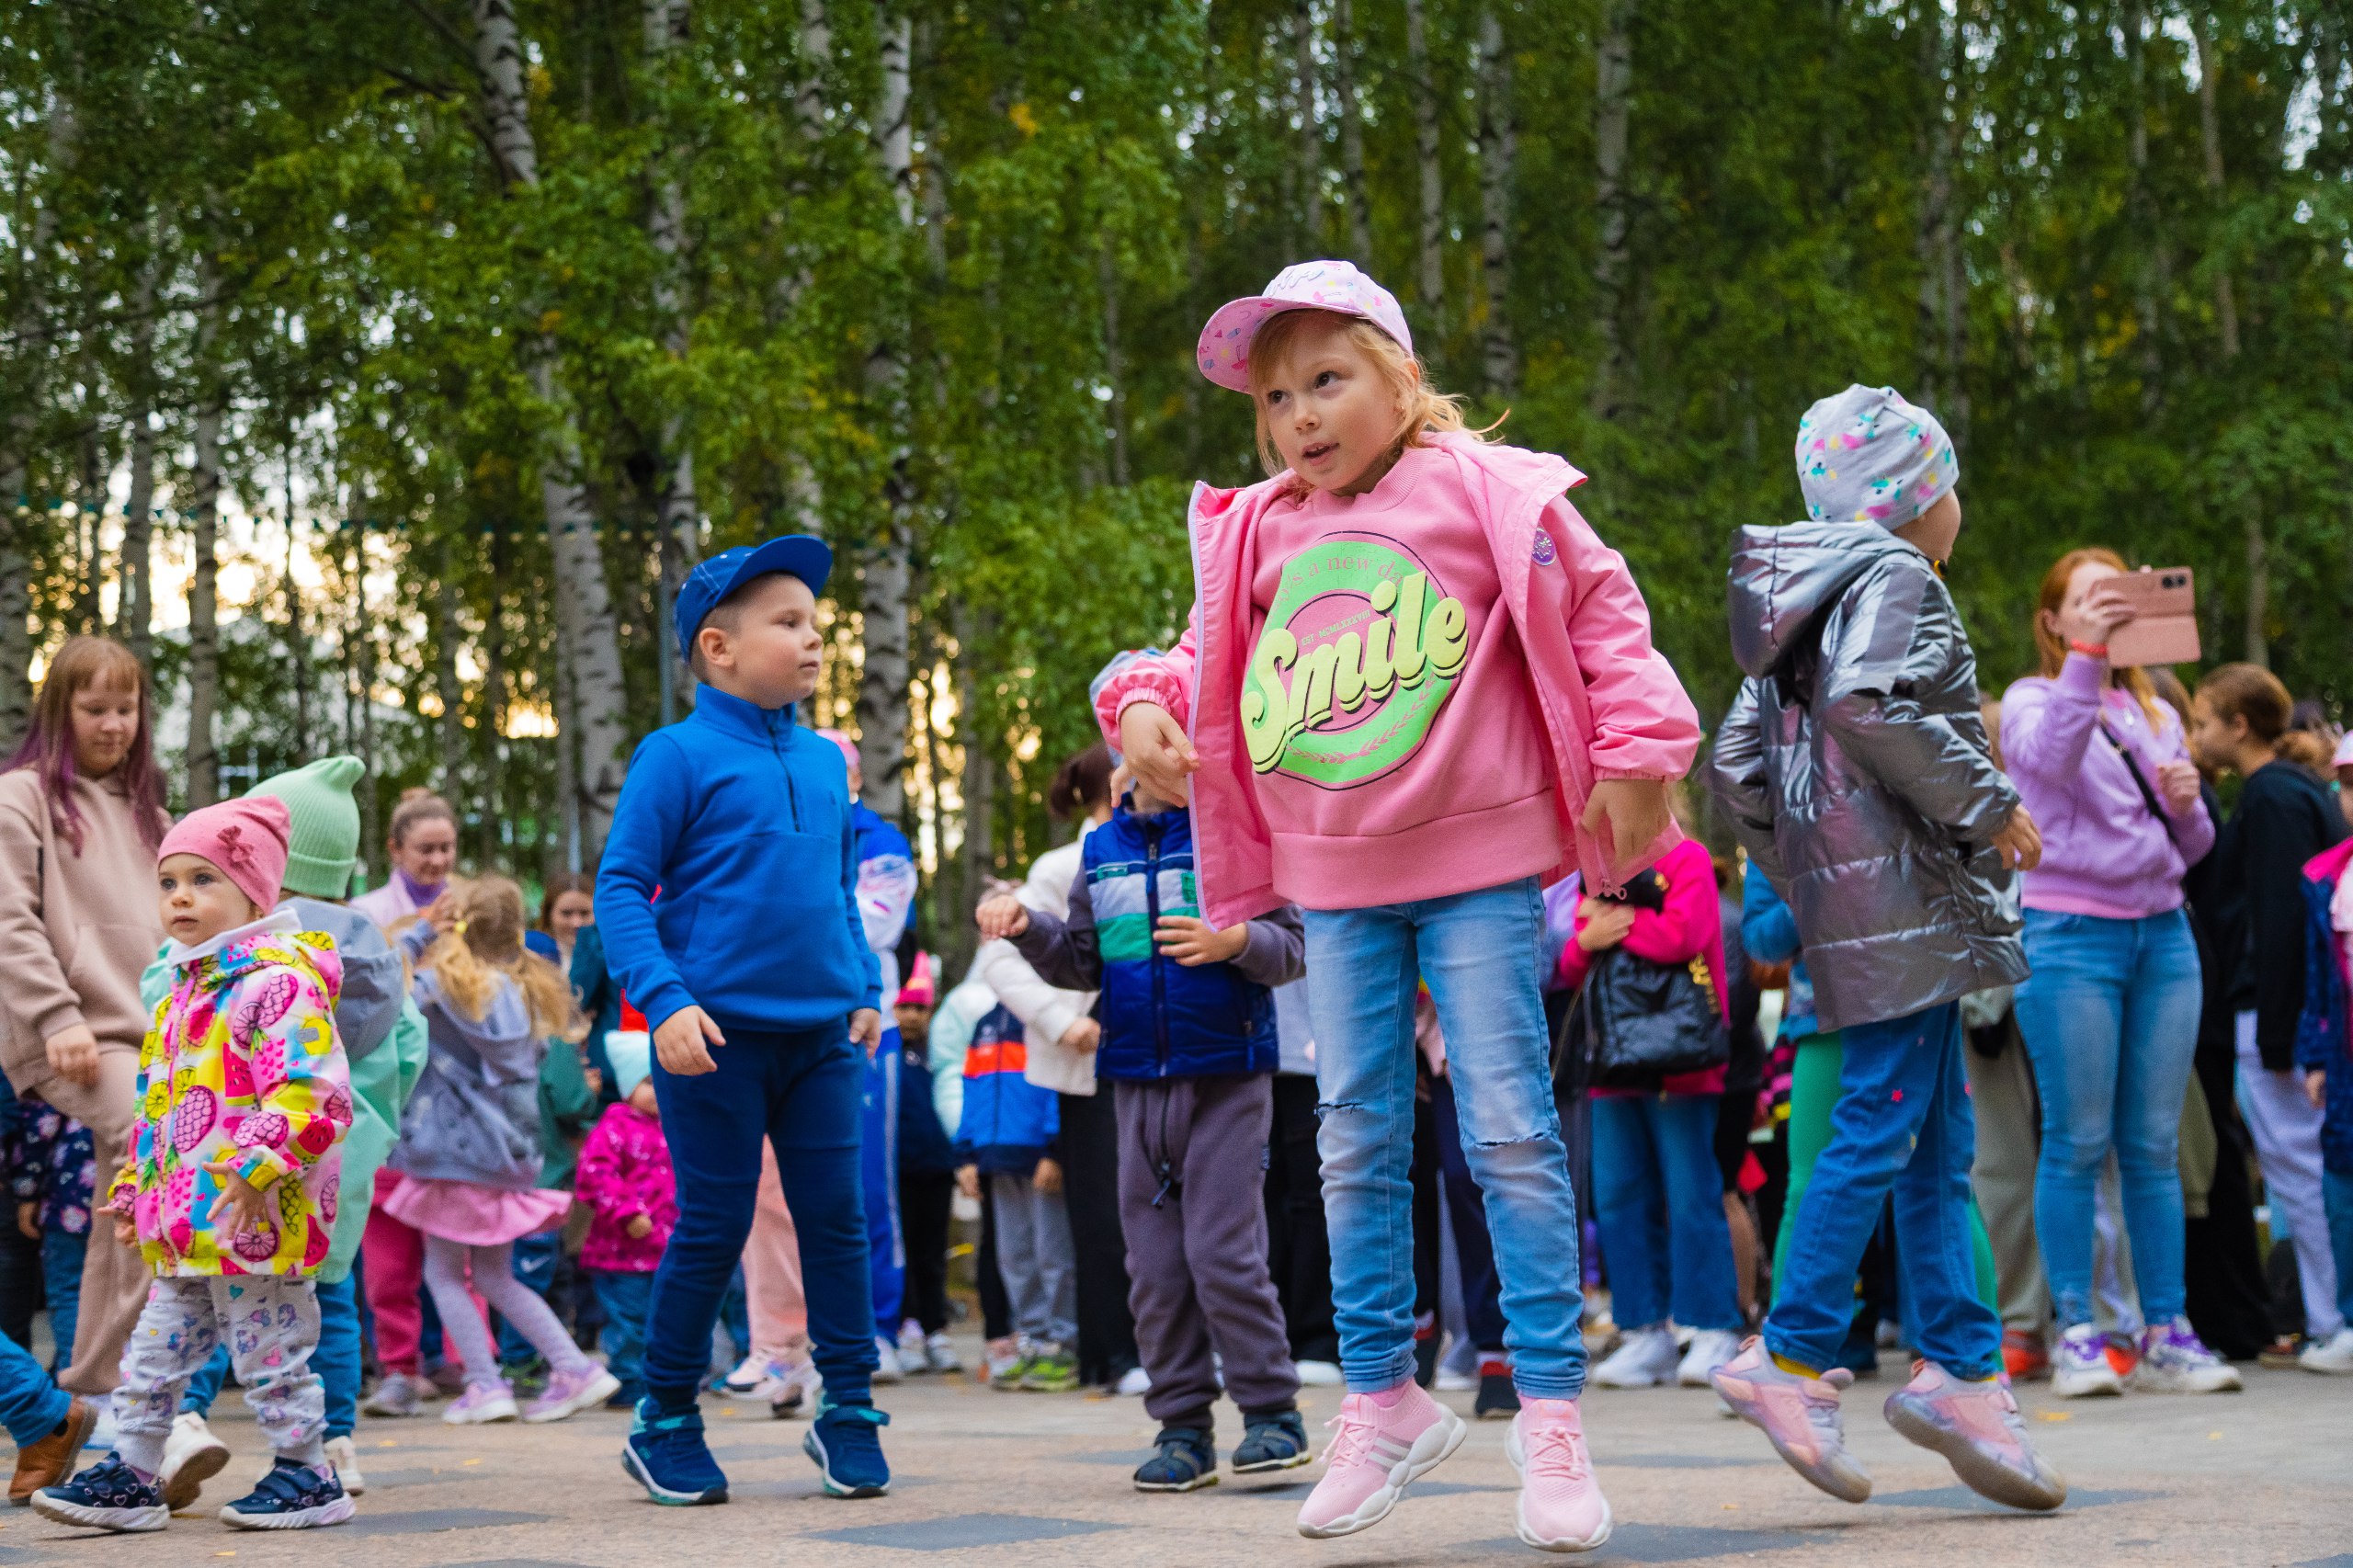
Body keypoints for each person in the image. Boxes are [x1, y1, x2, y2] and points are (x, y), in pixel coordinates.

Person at [1105, 260, 1700, 1552]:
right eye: (1275, 398)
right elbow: (1198, 653)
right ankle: (1381, 1399)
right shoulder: (1259, 528)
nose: (1299, 416)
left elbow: (1605, 613)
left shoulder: (1486, 488)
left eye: (1326, 380)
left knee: (1510, 1128)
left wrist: (1642, 747)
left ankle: (1548, 1410)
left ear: (1401, 375)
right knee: (1353, 1138)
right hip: (1335, 878)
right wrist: (1142, 698)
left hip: (1478, 863)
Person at [1710, 384, 2063, 1513]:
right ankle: (1791, 1351)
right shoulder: (1898, 576)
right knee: (1878, 1123)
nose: (1957, 506)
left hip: (1867, 904)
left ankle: (1961, 1368)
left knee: (1930, 1138)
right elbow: (1868, 703)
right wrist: (1984, 802)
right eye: (1950, 484)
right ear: (1915, 498)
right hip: (1907, 898)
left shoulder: (1795, 604)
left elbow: (1734, 764)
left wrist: (1812, 868)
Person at [597, 535, 890, 1506]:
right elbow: (621, 888)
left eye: (816, 622)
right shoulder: (674, 755)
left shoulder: (823, 760)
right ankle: (664, 1420)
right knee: (716, 1223)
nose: (813, 639)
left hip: (822, 1036)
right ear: (718, 648)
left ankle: (848, 1408)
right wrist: (666, 999)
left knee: (836, 1220)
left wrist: (863, 987)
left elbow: (838, 889)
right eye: (788, 622)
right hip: (711, 1037)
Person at [34, 796, 356, 1533]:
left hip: (259, 1219)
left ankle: (308, 1472)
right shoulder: (183, 994)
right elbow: (161, 1111)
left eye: (204, 879)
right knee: (152, 1355)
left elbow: (313, 1093)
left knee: (271, 1354)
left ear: (256, 894)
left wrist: (259, 1164)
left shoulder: (277, 983)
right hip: (189, 1226)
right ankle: (135, 1472)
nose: (180, 896)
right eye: (169, 882)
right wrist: (136, 1190)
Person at [983, 772, 1311, 1493]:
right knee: (1156, 1267)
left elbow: (1292, 946)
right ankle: (1182, 1428)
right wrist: (1028, 927)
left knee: (1222, 1253)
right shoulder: (1101, 851)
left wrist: (1234, 940)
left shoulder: (1235, 836)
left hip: (1228, 1073)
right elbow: (1081, 960)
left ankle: (1272, 1413)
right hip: (1134, 1079)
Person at [153, 756, 429, 1506]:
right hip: (340, 1169)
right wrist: (374, 1131)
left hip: (235, 1161)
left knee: (214, 1290)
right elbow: (410, 1050)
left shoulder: (237, 953)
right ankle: (335, 1444)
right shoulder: (376, 953)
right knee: (329, 1300)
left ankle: (185, 1420)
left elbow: (168, 1014)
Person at [1996, 549, 2236, 1396]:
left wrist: (2189, 803)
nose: (2109, 608)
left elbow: (2193, 847)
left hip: (2163, 936)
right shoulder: (2031, 700)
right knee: (2076, 1140)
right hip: (2069, 935)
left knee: (2153, 1145)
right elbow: (2049, 765)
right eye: (2089, 599)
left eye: (2116, 594)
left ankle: (2167, 1330)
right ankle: (2079, 1333)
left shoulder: (2154, 710)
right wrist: (2089, 660)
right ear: (2053, 621)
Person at [0, 636, 170, 1410]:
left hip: (150, 1036)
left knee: (127, 1194)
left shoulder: (150, 815)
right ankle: (127, 1384)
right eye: (94, 707)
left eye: (126, 708)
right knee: (152, 1144)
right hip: (71, 1033)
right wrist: (54, 1014)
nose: (113, 725)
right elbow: (10, 918)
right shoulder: (21, 796)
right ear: (58, 711)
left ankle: (101, 1388)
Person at [378, 876, 617, 1426]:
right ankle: (572, 1368)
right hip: (508, 1155)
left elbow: (380, 983)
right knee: (492, 1276)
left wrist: (418, 934)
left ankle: (488, 1384)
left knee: (444, 1274)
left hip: (452, 1155)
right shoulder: (522, 990)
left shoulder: (443, 987)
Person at [2189, 663, 2347, 1361]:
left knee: (2298, 1166)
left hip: (2275, 1011)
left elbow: (2281, 920)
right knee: (2306, 1163)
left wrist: (2282, 1030)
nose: (2196, 737)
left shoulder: (2272, 800)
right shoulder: (2290, 791)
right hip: (2289, 1008)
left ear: (2239, 725)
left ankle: (2333, 1317)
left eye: (2203, 722)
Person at [1554, 833, 1745, 1391]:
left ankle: (1712, 1327)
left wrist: (1619, 923)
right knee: (1617, 1198)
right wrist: (1590, 937)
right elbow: (1572, 964)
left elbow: (1685, 936)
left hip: (1682, 1058)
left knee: (1691, 1195)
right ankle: (1644, 1333)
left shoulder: (1687, 857)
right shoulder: (1596, 863)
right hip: (1612, 1062)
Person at [983, 742, 1139, 1393]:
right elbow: (1001, 957)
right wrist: (1059, 1020)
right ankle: (1114, 1355)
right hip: (1089, 1060)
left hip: (1158, 1048)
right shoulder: (1060, 866)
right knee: (1104, 1212)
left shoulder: (1170, 849)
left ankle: (1166, 1347)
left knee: (1161, 1204)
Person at [815, 727, 920, 1381]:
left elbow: (877, 921)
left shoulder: (879, 842)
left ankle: (879, 1325)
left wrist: (800, 912)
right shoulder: (786, 834)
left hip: (865, 1029)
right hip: (797, 1023)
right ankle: (799, 1330)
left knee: (868, 1183)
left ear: (854, 779)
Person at [953, 994, 1076, 1391]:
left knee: (1052, 1253)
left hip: (1038, 1155)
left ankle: (1064, 1343)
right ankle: (1032, 1338)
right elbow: (972, 1087)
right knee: (1013, 1255)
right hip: (995, 1156)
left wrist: (1054, 1148)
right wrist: (966, 1153)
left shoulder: (1047, 1014)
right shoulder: (985, 1024)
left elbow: (1061, 1082)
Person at [576, 1030, 676, 1407]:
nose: (659, 1091)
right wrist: (627, 1211)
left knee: (662, 1319)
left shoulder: (676, 1126)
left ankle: (660, 1378)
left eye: (665, 1081)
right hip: (621, 1253)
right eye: (648, 1082)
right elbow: (595, 1176)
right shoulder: (615, 1127)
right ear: (628, 1086)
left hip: (665, 1249)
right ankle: (628, 1380)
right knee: (629, 1320)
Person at [2294, 804, 2353, 1372]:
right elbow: (2319, 974)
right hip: (2345, 1058)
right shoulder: (2328, 876)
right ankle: (2351, 1322)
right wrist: (2314, 1056)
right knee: (2340, 1183)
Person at [892, 956, 962, 1374]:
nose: (912, 1016)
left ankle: (935, 1328)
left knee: (932, 1252)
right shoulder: (884, 1054)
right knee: (901, 1251)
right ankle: (907, 1327)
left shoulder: (940, 1053)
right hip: (895, 1172)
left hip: (936, 1168)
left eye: (919, 1008)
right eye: (904, 1007)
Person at [5, 1093, 93, 1371]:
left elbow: (41, 1127)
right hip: (127, 1196)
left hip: (70, 1200)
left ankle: (76, 1378)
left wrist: (26, 1192)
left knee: (69, 1292)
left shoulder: (64, 1075)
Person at [349, 790, 458, 933]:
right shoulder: (366, 913)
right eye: (426, 850)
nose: (438, 861)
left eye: (445, 848)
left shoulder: (470, 905)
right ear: (395, 849)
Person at [528, 874, 595, 974]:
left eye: (584, 913)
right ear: (548, 914)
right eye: (566, 913)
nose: (576, 923)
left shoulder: (609, 957)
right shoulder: (529, 952)